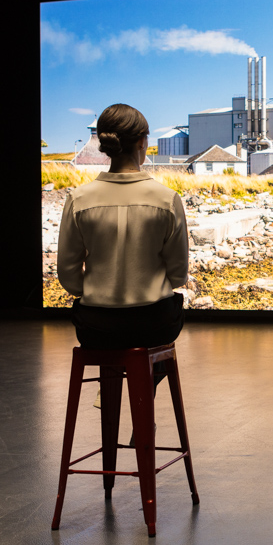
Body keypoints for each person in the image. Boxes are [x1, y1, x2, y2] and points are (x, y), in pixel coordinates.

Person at [56, 104, 190, 433]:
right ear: (143, 142)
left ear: (104, 143)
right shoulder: (166, 198)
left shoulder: (79, 198)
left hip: (97, 327)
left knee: (114, 336)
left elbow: (68, 276)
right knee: (166, 318)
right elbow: (178, 274)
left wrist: (96, 291)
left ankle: (114, 386)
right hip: (152, 324)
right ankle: (143, 407)